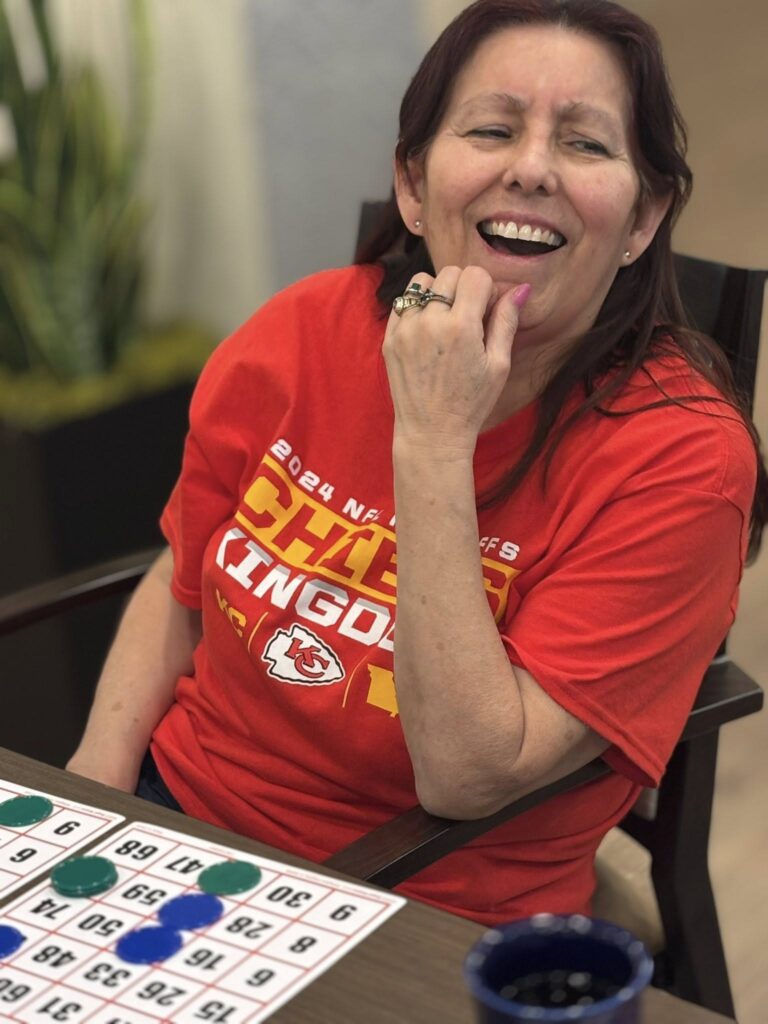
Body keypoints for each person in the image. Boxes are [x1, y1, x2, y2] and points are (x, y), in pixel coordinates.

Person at [67, 0, 767, 927]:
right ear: (412, 183)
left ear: (641, 220)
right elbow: (186, 573)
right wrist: (92, 795)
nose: (530, 167)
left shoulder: (682, 462)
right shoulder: (302, 329)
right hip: (174, 823)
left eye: (585, 144)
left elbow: (469, 774)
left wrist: (435, 438)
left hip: (412, 903)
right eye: (491, 128)